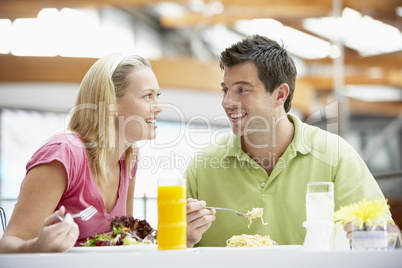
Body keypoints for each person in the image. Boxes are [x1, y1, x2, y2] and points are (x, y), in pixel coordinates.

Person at [185, 35, 400, 248]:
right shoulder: (202, 166)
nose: (227, 102)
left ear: (280, 95)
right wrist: (183, 238)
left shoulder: (335, 155)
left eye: (242, 89)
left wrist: (375, 234)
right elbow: (165, 245)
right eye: (225, 90)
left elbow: (391, 241)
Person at [0, 54, 163, 253]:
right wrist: (37, 246)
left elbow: (123, 245)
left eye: (157, 96)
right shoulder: (63, 154)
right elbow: (8, 244)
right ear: (110, 102)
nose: (159, 107)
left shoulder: (130, 157)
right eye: (148, 96)